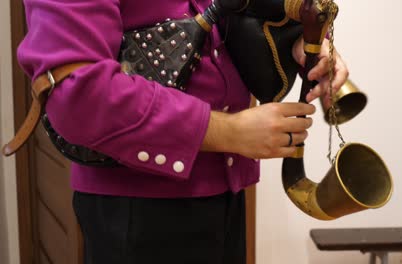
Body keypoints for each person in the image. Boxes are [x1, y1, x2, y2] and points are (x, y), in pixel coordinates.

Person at [18, 0, 349, 263]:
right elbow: (79, 96)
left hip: (227, 193)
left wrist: (291, 43)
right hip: (137, 211)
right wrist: (227, 131)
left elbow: (224, 20)